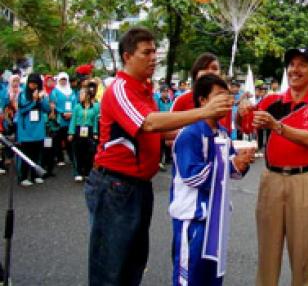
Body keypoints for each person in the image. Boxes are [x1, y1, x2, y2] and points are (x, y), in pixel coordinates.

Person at [84, 27, 234, 286]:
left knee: (132, 263)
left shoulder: (144, 90)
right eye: (146, 52)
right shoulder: (120, 88)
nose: (154, 58)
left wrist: (205, 130)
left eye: (155, 51)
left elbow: (161, 132)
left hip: (138, 186)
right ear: (127, 56)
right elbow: (149, 123)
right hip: (115, 186)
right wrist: (204, 113)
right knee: (111, 268)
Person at [240, 47, 308, 286]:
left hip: (305, 180)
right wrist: (242, 110)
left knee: (302, 256)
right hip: (271, 179)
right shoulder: (271, 101)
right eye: (291, 64)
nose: (294, 70)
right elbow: (247, 126)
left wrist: (276, 126)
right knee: (267, 253)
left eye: (302, 65)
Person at [169, 74, 255, 286]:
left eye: (227, 95)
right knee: (189, 279)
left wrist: (242, 162)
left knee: (213, 277)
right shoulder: (189, 134)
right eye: (219, 95)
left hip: (217, 219)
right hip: (193, 220)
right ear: (203, 101)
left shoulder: (223, 133)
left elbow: (232, 172)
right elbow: (193, 176)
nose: (226, 100)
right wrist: (232, 165)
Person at [171, 53, 231, 130]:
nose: (210, 71)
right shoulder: (182, 100)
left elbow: (227, 132)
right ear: (196, 73)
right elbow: (168, 131)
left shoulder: (225, 102)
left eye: (214, 68)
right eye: (204, 68)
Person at [16, 73, 51, 186]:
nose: (33, 86)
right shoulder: (22, 94)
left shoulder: (42, 94)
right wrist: (34, 101)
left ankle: (35, 175)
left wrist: (41, 99)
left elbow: (47, 109)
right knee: (26, 154)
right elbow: (22, 110)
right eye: (31, 83)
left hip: (38, 128)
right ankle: (23, 177)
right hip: (26, 129)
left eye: (35, 84)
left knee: (37, 153)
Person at [68, 88, 99, 182]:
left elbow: (95, 120)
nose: (80, 96)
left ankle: (87, 172)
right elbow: (73, 120)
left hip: (89, 130)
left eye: (82, 94)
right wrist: (71, 132)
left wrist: (95, 132)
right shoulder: (77, 107)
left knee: (89, 152)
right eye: (80, 94)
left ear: (88, 96)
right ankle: (78, 172)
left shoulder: (94, 107)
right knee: (78, 152)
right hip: (79, 129)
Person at [49, 72, 77, 167]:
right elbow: (53, 104)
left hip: (70, 119)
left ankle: (72, 157)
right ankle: (60, 158)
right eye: (61, 80)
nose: (63, 81)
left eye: (65, 80)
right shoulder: (55, 91)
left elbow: (75, 103)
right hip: (59, 119)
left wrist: (72, 113)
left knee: (69, 139)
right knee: (58, 139)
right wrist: (62, 112)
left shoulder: (71, 92)